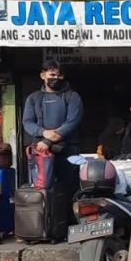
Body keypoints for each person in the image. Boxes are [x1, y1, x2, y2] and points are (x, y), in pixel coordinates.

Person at [22, 60, 83, 193]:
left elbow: (72, 122)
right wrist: (43, 132)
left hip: (68, 150)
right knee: (42, 189)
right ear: (43, 75)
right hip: (41, 152)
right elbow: (27, 122)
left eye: (59, 75)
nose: (56, 78)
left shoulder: (72, 96)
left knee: (69, 190)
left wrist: (49, 140)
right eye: (52, 75)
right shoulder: (33, 98)